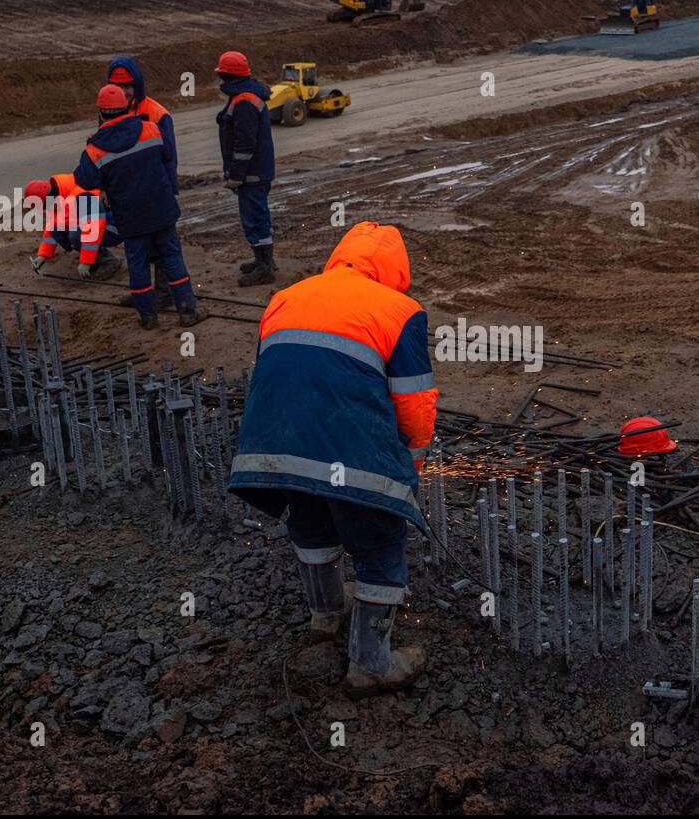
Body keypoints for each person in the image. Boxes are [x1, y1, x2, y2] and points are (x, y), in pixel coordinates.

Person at [228, 221, 437, 697]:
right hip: (347, 445)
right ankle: (371, 664)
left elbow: (276, 372)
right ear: (394, 270)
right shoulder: (401, 310)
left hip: (275, 444)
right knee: (380, 543)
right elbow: (414, 400)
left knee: (311, 517)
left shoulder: (286, 296)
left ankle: (325, 615)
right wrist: (408, 469)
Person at [74, 85, 207, 329]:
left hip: (130, 217)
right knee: (171, 257)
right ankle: (187, 311)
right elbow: (167, 156)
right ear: (127, 106)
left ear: (101, 113)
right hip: (161, 209)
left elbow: (84, 180)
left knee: (138, 264)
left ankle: (148, 318)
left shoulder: (94, 149)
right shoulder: (150, 129)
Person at [106, 56, 178, 308]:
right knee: (137, 249)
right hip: (127, 197)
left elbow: (169, 158)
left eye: (128, 85)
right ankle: (143, 295)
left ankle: (164, 293)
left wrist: (170, 191)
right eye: (118, 85)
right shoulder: (110, 112)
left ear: (137, 84)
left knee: (161, 248)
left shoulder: (157, 114)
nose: (124, 91)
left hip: (155, 193)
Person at [214, 51, 276, 286]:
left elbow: (244, 144)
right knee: (258, 215)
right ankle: (263, 260)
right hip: (257, 170)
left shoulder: (243, 102)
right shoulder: (245, 96)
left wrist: (236, 175)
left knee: (254, 218)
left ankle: (264, 267)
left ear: (226, 75)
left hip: (251, 173)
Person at [26, 174, 121, 280]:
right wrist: (43, 255)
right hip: (98, 224)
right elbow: (53, 226)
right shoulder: (56, 195)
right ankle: (95, 259)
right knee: (59, 230)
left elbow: (93, 230)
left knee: (75, 235)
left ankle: (109, 261)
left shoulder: (81, 194)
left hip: (117, 225)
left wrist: (86, 261)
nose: (45, 209)